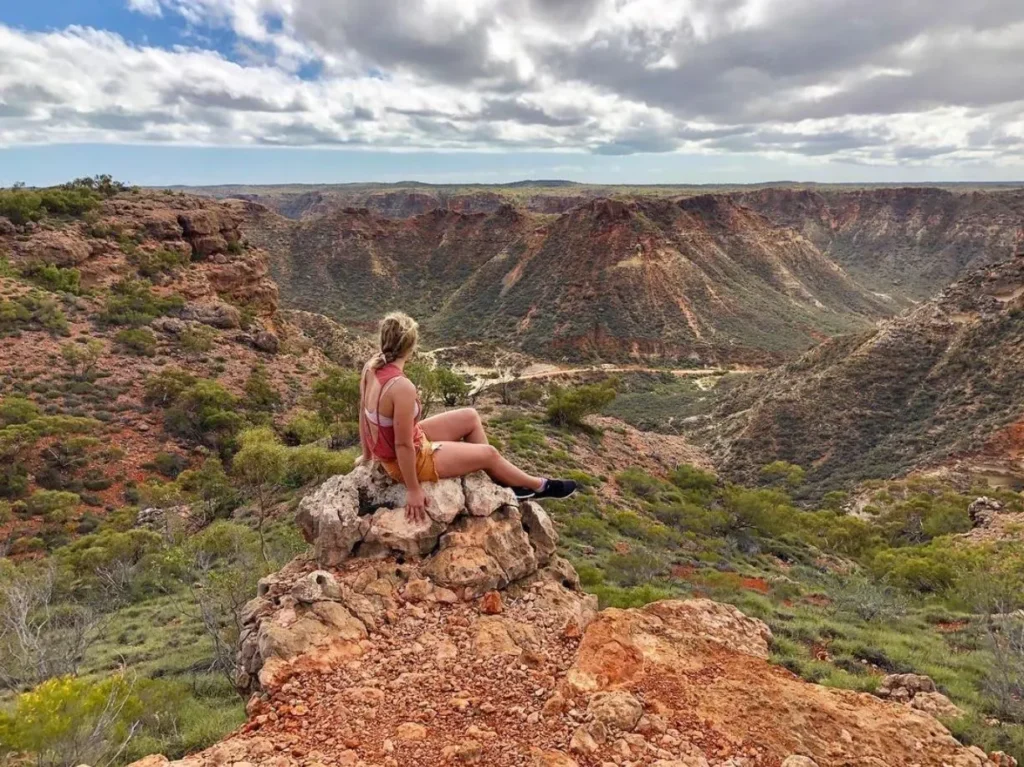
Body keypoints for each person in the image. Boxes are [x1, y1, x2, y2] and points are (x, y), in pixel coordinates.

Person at [359, 312, 577, 522]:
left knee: (470, 417)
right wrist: (413, 489)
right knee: (490, 453)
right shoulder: (401, 387)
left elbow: (364, 414)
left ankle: (500, 481)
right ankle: (538, 486)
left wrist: (367, 456)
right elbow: (403, 445)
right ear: (410, 348)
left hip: (404, 443)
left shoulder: (371, 367)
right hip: (409, 460)